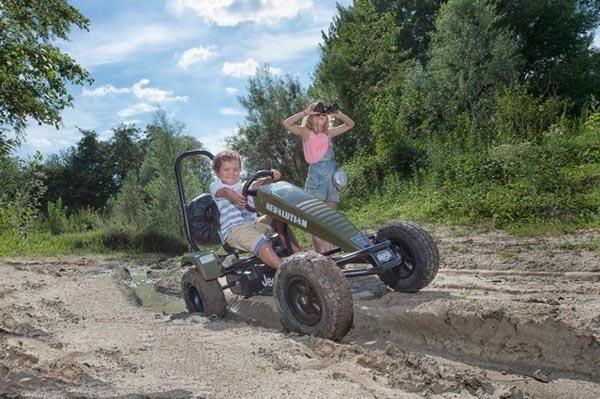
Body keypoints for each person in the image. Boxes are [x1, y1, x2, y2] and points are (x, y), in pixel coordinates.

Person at [282, 101, 355, 253]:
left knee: (329, 219)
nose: (321, 115)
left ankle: (328, 255)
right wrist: (306, 112)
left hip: (332, 178)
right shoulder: (306, 133)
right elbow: (287, 123)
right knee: (316, 220)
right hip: (316, 176)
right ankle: (323, 256)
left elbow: (350, 124)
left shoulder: (329, 133)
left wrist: (338, 113)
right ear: (311, 117)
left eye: (323, 114)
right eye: (318, 113)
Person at [210, 149, 297, 269]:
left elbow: (257, 184)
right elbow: (225, 192)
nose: (232, 173)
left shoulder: (245, 185)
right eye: (226, 169)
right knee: (259, 240)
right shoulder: (217, 186)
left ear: (240, 170)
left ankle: (299, 256)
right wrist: (234, 197)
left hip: (254, 224)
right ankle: (285, 270)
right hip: (234, 230)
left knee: (279, 216)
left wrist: (268, 178)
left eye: (236, 169)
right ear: (217, 172)